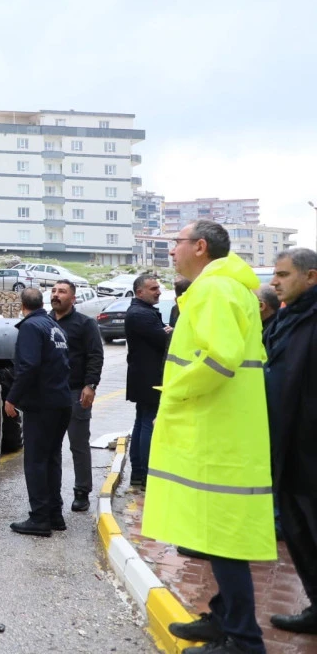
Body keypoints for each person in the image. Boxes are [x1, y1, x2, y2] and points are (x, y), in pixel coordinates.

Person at [149, 221, 274, 654]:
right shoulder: (229, 288)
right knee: (219, 536)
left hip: (216, 431)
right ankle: (224, 619)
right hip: (226, 429)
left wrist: (177, 390)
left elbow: (220, 358)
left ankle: (243, 639)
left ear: (200, 247)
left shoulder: (215, 290)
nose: (171, 251)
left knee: (223, 538)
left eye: (176, 243)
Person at [264, 248, 317, 636]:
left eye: (283, 274)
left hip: (311, 446)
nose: (275, 282)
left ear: (311, 276)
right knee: (298, 531)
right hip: (288, 446)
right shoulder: (288, 316)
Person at [5, 288, 72, 537]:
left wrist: (12, 398)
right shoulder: (54, 327)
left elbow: (29, 366)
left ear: (22, 305)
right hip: (61, 402)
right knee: (51, 459)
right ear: (41, 303)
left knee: (35, 461)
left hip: (43, 405)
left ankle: (40, 518)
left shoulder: (31, 328)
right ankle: (55, 514)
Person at [48, 280, 103, 513]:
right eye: (53, 291)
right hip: (49, 394)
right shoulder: (44, 323)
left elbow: (95, 355)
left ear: (73, 299)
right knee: (50, 447)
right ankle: (51, 493)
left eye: (62, 292)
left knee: (78, 445)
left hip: (75, 392)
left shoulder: (85, 324)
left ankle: (82, 492)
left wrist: (90, 385)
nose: (56, 295)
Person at [124, 273, 169, 489]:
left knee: (142, 421)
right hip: (149, 377)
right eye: (153, 288)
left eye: (158, 287)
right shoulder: (141, 314)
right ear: (140, 292)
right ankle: (144, 474)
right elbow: (163, 339)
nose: (158, 291)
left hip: (144, 376)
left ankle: (139, 473)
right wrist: (168, 332)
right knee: (147, 422)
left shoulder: (143, 312)